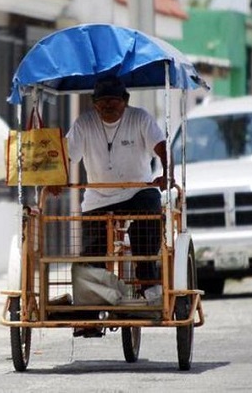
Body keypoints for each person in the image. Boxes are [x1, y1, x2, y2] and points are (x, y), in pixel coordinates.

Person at [50, 75, 172, 335]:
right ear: (94, 104)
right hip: (98, 199)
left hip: (135, 193)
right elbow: (66, 156)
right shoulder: (84, 123)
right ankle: (90, 314)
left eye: (114, 101)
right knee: (91, 254)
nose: (108, 106)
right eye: (102, 101)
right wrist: (56, 179)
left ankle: (149, 288)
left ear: (125, 101)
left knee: (148, 218)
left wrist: (165, 174)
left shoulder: (140, 118)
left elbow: (161, 148)